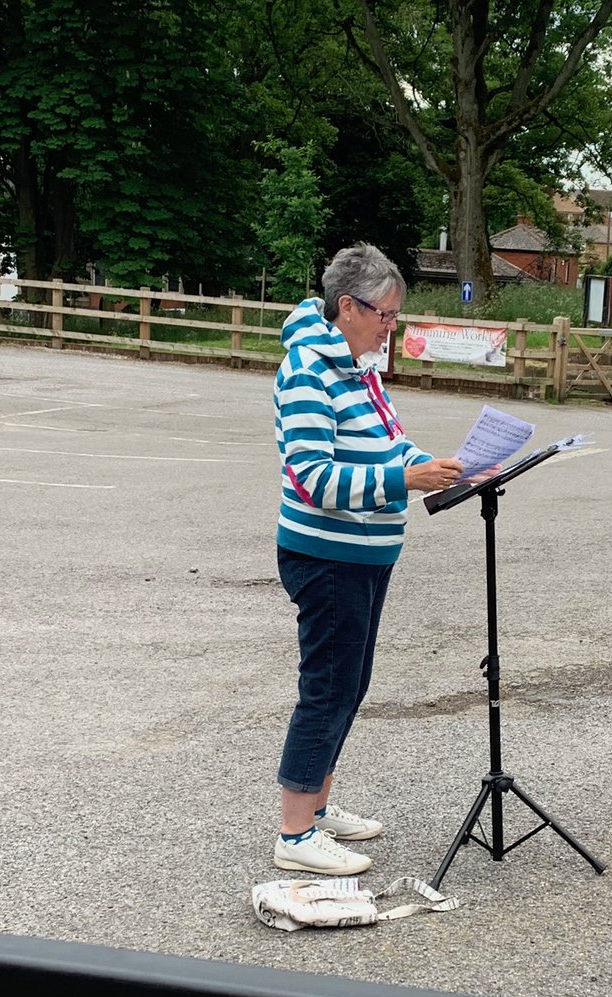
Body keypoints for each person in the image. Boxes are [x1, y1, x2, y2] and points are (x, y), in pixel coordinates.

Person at [272, 243, 465, 876]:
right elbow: (312, 476)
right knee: (327, 688)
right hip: (326, 556)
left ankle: (319, 810)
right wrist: (405, 481)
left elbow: (390, 440)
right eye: (385, 315)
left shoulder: (360, 366)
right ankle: (295, 834)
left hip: (366, 553)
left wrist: (429, 465)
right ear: (348, 307)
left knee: (351, 684)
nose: (392, 327)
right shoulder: (309, 371)